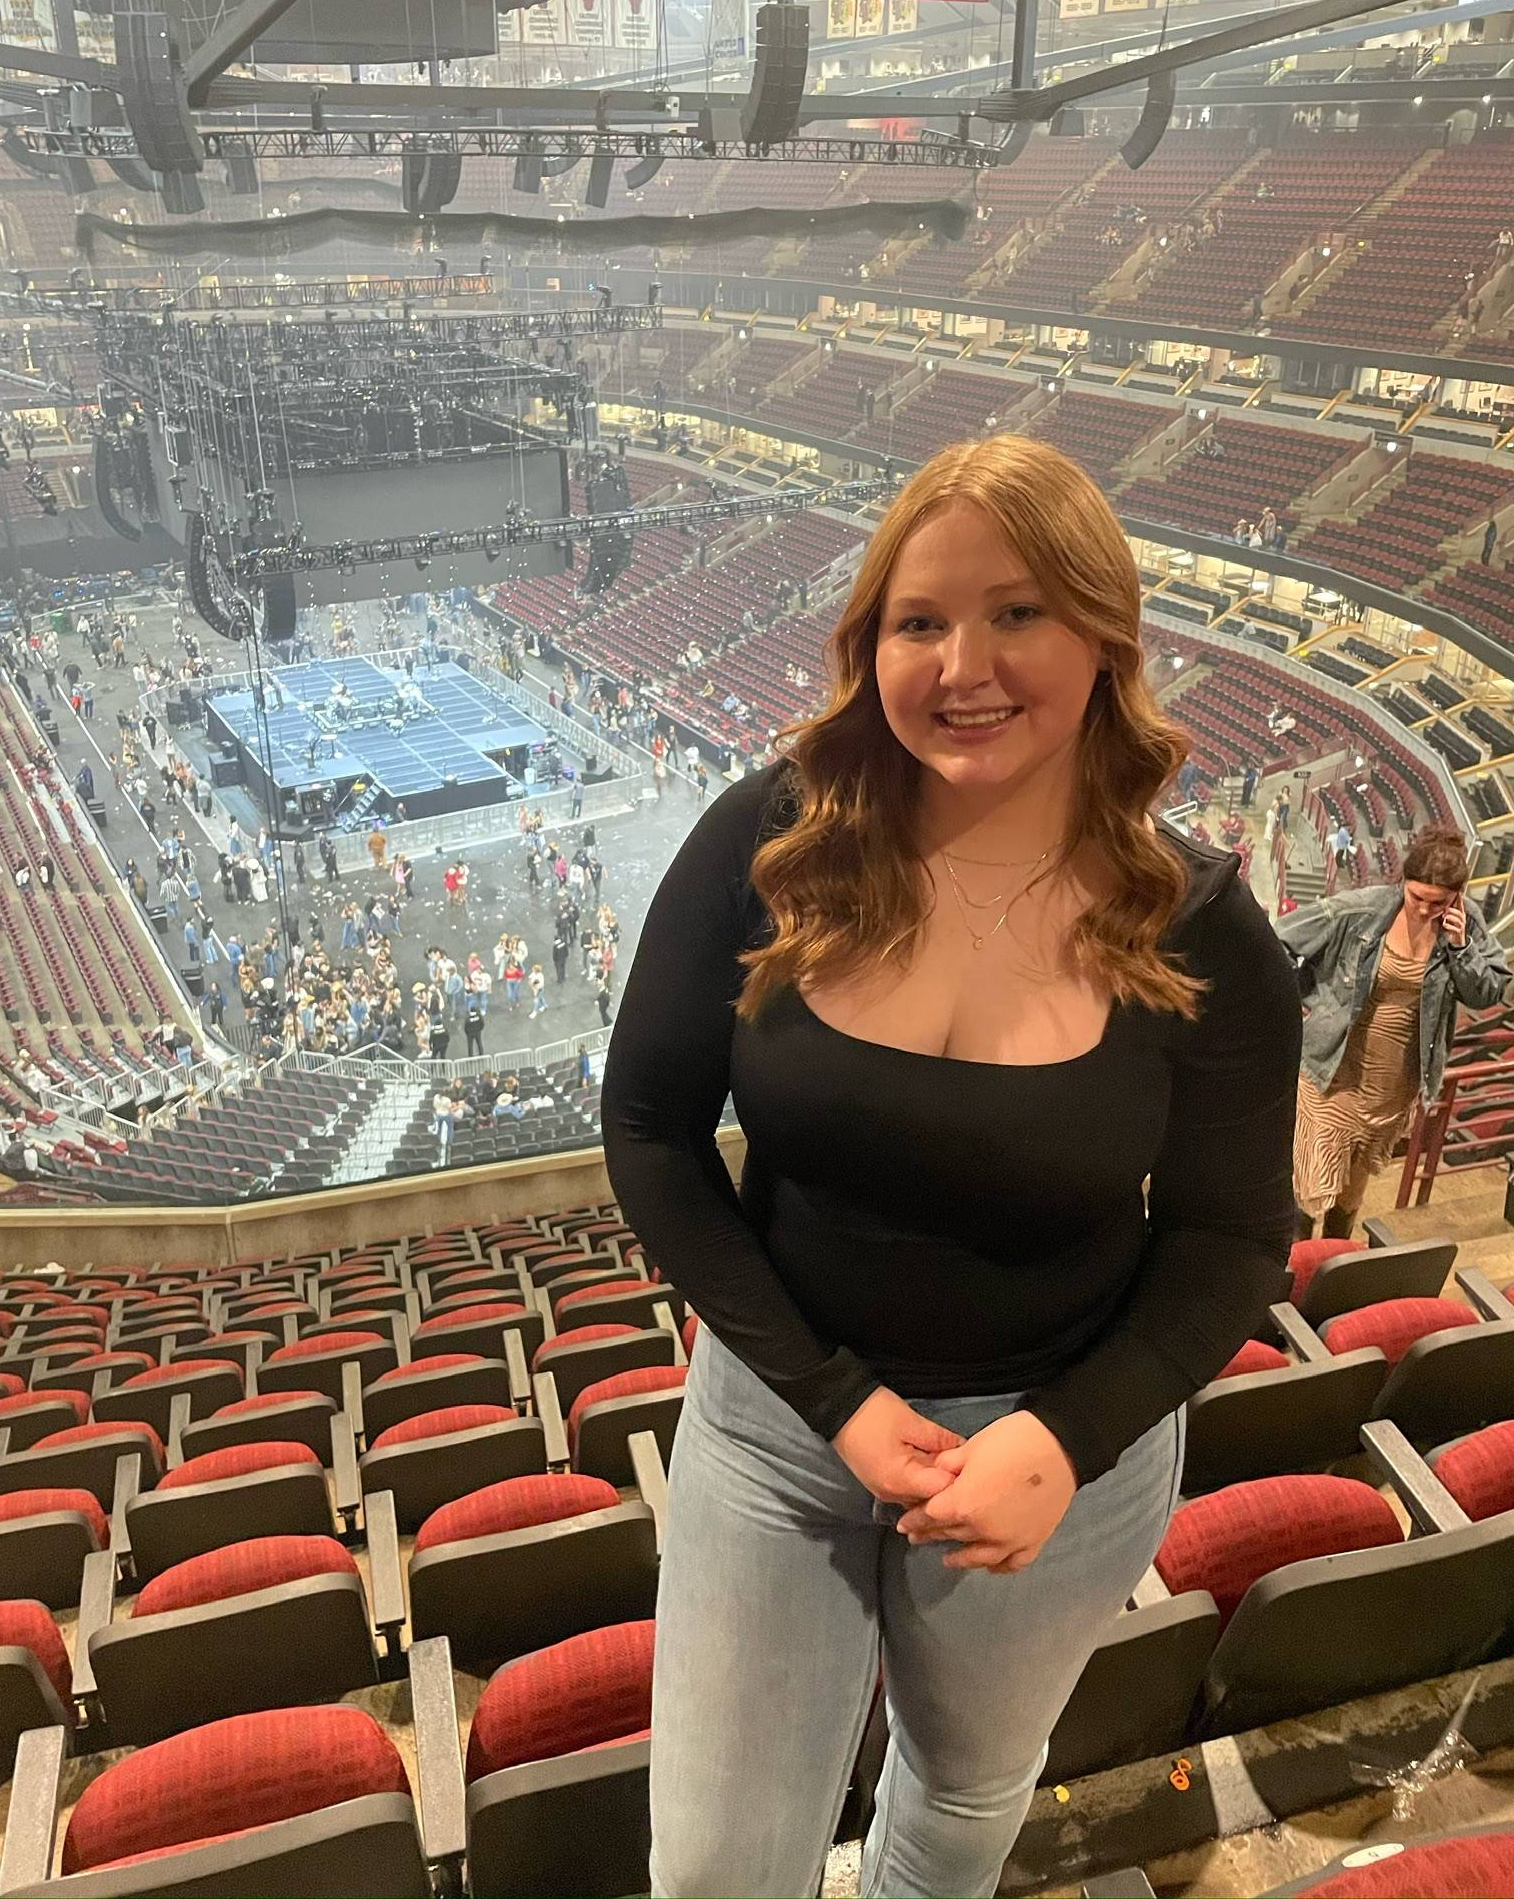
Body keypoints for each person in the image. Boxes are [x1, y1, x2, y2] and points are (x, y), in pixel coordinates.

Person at [599, 435, 1301, 1899]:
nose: (963, 663)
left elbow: (1234, 1239)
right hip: (781, 1427)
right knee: (718, 1870)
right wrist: (835, 1399)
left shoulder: (1205, 934)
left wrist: (1065, 1439)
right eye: (921, 621)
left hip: (1059, 1449)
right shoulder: (767, 842)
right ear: (872, 648)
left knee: (965, 1802)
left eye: (1019, 612)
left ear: (1105, 636)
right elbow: (651, 1132)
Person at [1278, 822, 1510, 1241]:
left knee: (1352, 1190)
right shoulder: (1359, 910)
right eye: (1416, 896)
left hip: (1393, 1087)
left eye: (1437, 902)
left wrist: (1461, 947)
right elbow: (1277, 941)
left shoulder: (1466, 925)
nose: (1424, 910)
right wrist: (1305, 1002)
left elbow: (1487, 992)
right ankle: (1293, 1274)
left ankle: (1332, 1268)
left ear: (1457, 896)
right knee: (1309, 1187)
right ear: (1403, 881)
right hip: (1333, 1072)